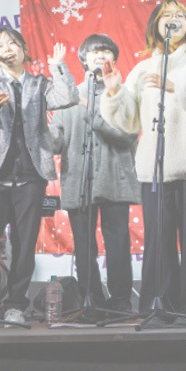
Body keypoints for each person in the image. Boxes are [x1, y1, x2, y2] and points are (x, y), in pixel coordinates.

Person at [101, 0, 186, 325]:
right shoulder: (144, 67)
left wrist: (177, 86)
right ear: (156, 26)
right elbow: (129, 121)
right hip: (155, 169)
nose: (173, 19)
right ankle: (159, 306)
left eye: (179, 15)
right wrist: (115, 92)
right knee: (157, 242)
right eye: (166, 16)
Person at [0, 28, 78, 326]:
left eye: (13, 43)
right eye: (0, 45)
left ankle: (16, 305)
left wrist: (58, 66)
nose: (7, 48)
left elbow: (67, 97)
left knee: (24, 245)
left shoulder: (39, 83)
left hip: (29, 177)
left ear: (24, 49)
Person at [50, 34, 139, 316]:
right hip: (79, 178)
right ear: (84, 60)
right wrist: (37, 124)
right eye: (94, 52)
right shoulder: (69, 96)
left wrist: (93, 113)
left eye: (106, 51)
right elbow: (55, 142)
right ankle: (91, 299)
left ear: (114, 59)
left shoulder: (123, 93)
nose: (100, 56)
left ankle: (121, 300)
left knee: (118, 242)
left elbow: (128, 134)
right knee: (83, 244)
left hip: (115, 179)